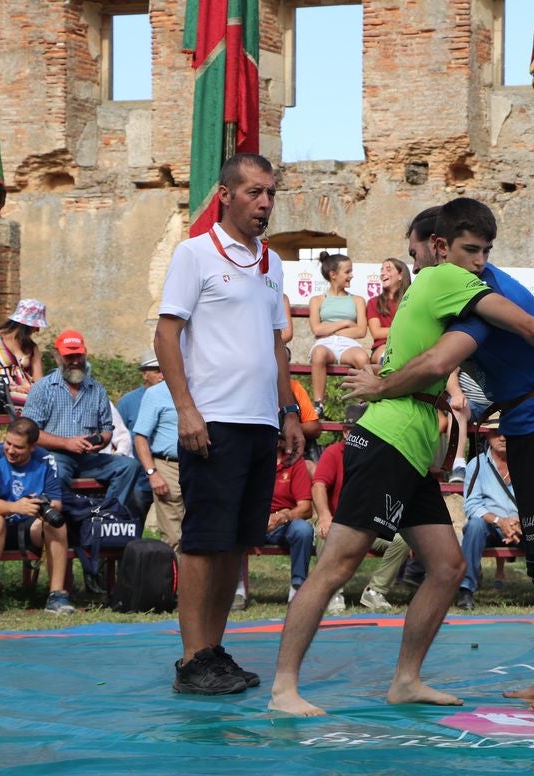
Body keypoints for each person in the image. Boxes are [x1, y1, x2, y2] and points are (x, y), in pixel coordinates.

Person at [272, 198, 534, 717]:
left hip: (412, 446)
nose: (480, 261)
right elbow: (523, 327)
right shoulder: (446, 279)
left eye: (485, 251)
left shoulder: (436, 284)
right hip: (390, 438)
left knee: (446, 566)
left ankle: (406, 680)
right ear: (441, 248)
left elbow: (444, 355)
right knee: (338, 564)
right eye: (470, 250)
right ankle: (284, 687)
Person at [155, 152, 304, 696]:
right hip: (213, 419)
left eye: (270, 193)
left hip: (261, 423)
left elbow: (275, 344)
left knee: (236, 544)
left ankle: (213, 652)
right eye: (254, 193)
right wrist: (187, 409)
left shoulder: (271, 262)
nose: (265, 203)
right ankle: (192, 658)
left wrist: (288, 410)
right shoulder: (195, 254)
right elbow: (166, 335)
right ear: (226, 194)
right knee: (202, 542)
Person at [0, 417, 74, 616]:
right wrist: (16, 506)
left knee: (55, 524)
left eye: (18, 447)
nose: (11, 450)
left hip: (26, 522)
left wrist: (40, 503)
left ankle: (56, 596)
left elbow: (57, 502)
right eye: (8, 443)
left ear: (32, 447)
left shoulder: (46, 459)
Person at [22, 330, 143, 510]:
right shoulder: (42, 388)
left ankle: (107, 517)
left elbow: (107, 430)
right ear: (58, 357)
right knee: (57, 472)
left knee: (130, 466)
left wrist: (100, 441)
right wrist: (66, 443)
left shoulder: (97, 389)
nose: (75, 361)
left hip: (88, 457)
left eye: (78, 355)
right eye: (69, 357)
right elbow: (29, 433)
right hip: (53, 455)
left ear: (84, 354)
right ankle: (67, 522)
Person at [308, 439, 410, 613]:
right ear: (345, 432)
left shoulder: (379, 454)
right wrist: (325, 516)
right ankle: (332, 592)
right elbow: (319, 485)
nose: (355, 433)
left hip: (368, 526)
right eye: (350, 429)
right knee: (327, 531)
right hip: (337, 523)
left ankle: (376, 591)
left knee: (402, 539)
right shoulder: (334, 452)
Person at [458, 414, 520, 610]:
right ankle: (465, 590)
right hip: (490, 526)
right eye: (496, 432)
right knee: (474, 525)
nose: (502, 437)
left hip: (522, 524)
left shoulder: (527, 463)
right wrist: (499, 521)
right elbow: (472, 505)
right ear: (487, 435)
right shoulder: (475, 465)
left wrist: (521, 522)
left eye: (507, 432)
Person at [308, 252, 369, 419]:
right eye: (347, 272)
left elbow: (361, 331)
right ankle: (318, 404)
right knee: (318, 354)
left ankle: (362, 404)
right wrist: (346, 323)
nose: (351, 275)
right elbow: (317, 329)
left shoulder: (357, 300)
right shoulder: (317, 300)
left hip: (348, 344)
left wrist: (331, 329)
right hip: (325, 344)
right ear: (333, 275)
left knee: (362, 358)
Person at [133, 374, 183, 551]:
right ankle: (177, 578)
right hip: (168, 465)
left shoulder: (206, 389)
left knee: (203, 534)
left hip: (203, 464)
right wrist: (152, 473)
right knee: (173, 536)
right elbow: (140, 437)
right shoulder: (156, 394)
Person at [265, 436, 316, 603]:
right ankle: (237, 590)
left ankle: (297, 587)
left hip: (283, 523)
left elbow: (306, 508)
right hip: (253, 520)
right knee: (231, 526)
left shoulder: (294, 462)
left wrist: (283, 516)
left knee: (303, 530)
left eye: (279, 435)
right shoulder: (249, 460)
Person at [0, 298, 47, 406]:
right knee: (36, 405)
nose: (37, 330)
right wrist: (14, 388)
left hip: (27, 392)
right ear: (26, 325)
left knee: (50, 402)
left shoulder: (32, 347)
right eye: (36, 326)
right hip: (0, 391)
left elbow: (39, 380)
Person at [367, 257, 411, 364]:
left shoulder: (413, 300)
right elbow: (377, 333)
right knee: (387, 358)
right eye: (381, 269)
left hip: (409, 344)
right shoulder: (373, 302)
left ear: (401, 275)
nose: (383, 273)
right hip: (383, 346)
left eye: (388, 269)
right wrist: (406, 330)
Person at [117, 349, 164, 434]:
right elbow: (117, 434)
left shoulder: (175, 399)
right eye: (157, 372)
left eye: (165, 371)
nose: (162, 376)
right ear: (145, 375)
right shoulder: (127, 401)